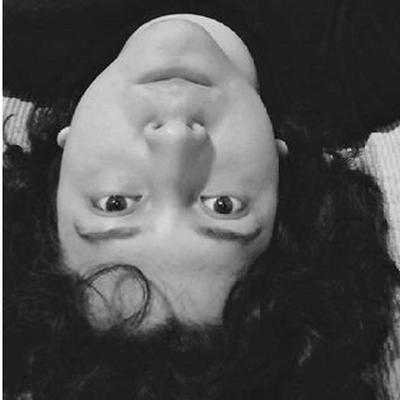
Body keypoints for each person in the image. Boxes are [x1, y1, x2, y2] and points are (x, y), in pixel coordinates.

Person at [4, 6, 400, 400]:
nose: (175, 138)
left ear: (55, 180)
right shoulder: (373, 52)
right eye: (223, 206)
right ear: (285, 186)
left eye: (115, 203)